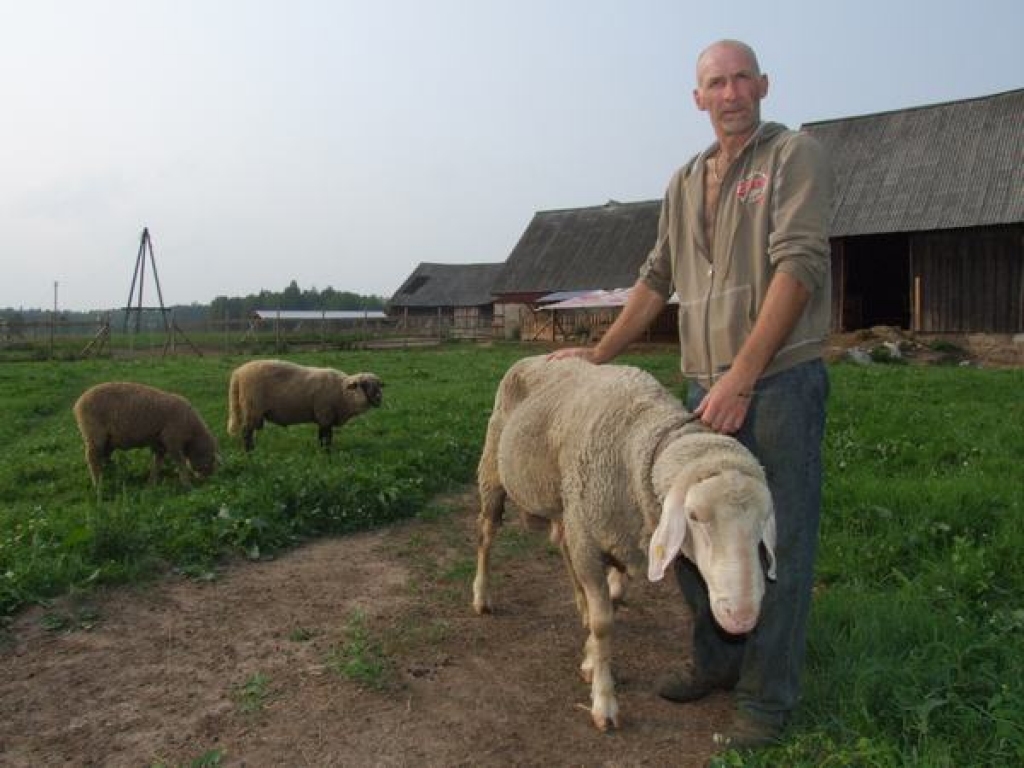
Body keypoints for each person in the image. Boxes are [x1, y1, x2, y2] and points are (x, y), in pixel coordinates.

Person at [550, 39, 833, 749]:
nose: (731, 92)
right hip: (702, 387)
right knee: (683, 533)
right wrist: (598, 353)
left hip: (776, 383)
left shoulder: (791, 157)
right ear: (697, 98)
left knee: (777, 547)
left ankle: (766, 704)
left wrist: (743, 377)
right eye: (716, 82)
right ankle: (717, 661)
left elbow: (798, 266)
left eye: (742, 79)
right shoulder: (682, 181)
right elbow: (655, 278)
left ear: (764, 85)